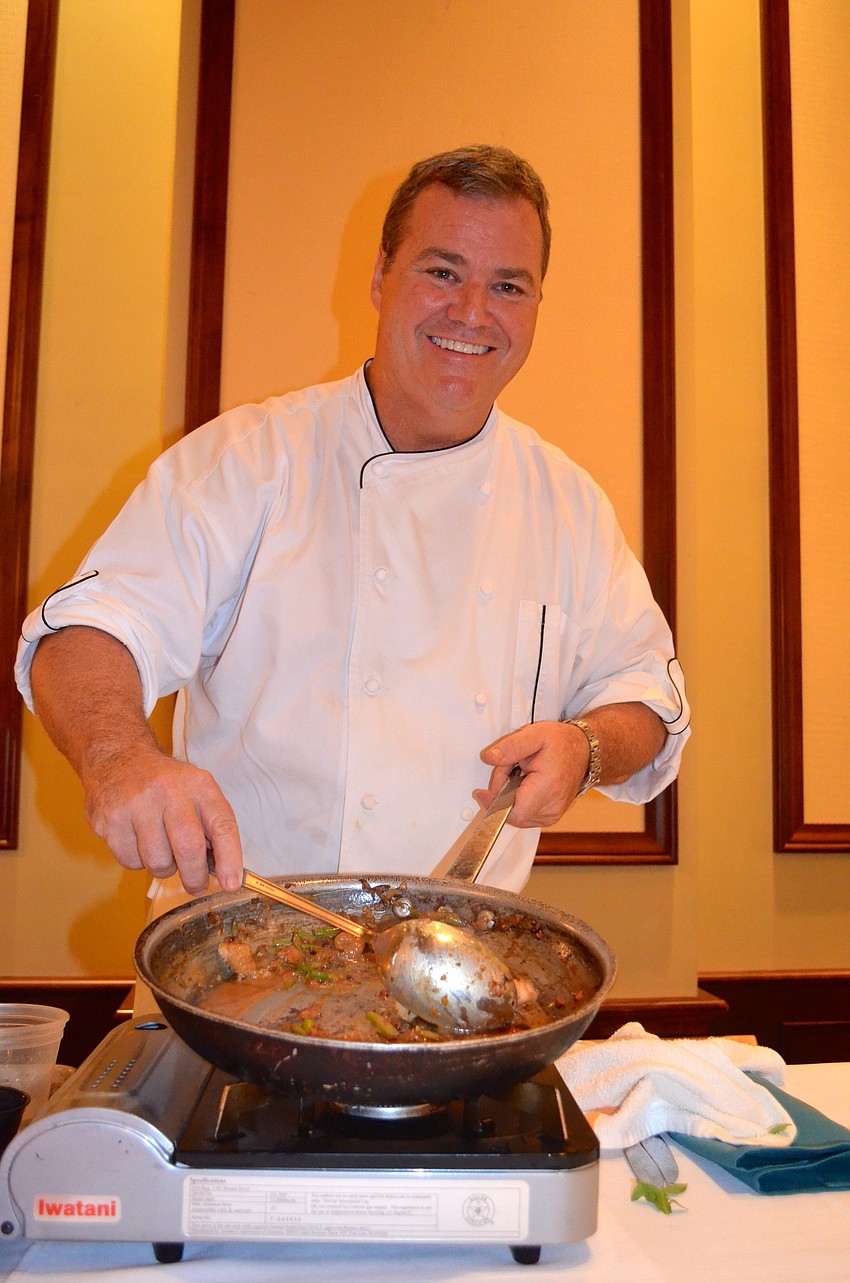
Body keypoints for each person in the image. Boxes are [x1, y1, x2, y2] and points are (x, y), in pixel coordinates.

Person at [15, 144, 689, 913]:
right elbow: (91, 631)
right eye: (442, 272)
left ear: (536, 308)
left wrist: (586, 746)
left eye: (508, 285)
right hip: (234, 949)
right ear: (379, 277)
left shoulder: (567, 503)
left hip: (453, 970)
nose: (473, 311)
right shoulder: (249, 461)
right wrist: (120, 759)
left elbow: (647, 699)